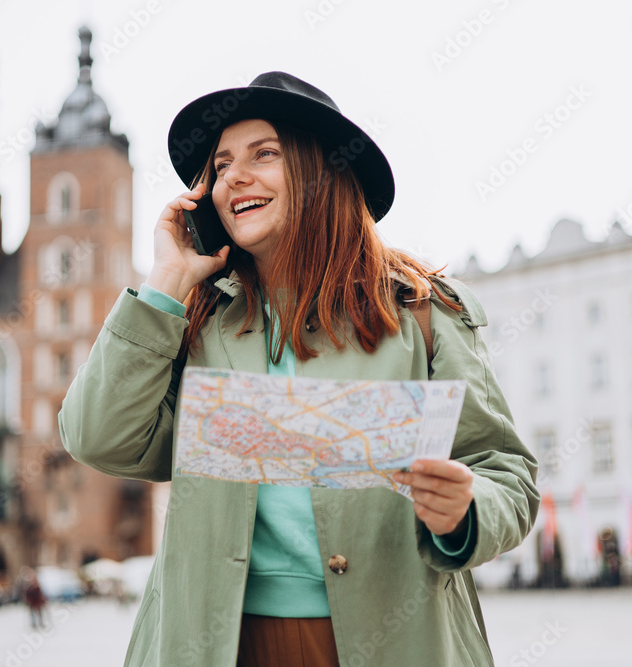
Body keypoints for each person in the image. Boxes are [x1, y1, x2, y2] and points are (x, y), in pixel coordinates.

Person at [59, 71, 539, 666]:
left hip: (388, 643)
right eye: (222, 164)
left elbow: (507, 475)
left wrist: (467, 511)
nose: (234, 176)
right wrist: (167, 282)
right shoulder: (192, 321)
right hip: (219, 647)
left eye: (265, 154)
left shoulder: (424, 312)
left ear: (322, 170)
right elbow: (96, 437)